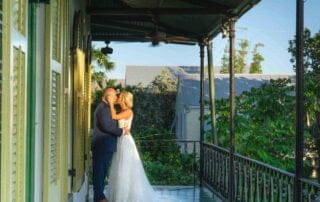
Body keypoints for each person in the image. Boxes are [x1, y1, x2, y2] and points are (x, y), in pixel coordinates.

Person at [107, 91, 159, 202]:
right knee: (119, 166)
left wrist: (111, 103)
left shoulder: (128, 111)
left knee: (125, 168)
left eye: (119, 96)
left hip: (125, 142)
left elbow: (114, 116)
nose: (117, 97)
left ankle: (125, 197)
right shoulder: (122, 110)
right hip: (120, 139)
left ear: (124, 99)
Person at [91, 88, 129, 202]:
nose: (115, 98)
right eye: (114, 96)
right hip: (102, 146)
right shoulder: (102, 108)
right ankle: (99, 198)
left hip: (105, 146)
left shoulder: (106, 107)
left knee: (101, 173)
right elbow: (107, 127)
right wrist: (121, 131)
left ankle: (100, 197)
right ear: (108, 96)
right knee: (99, 173)